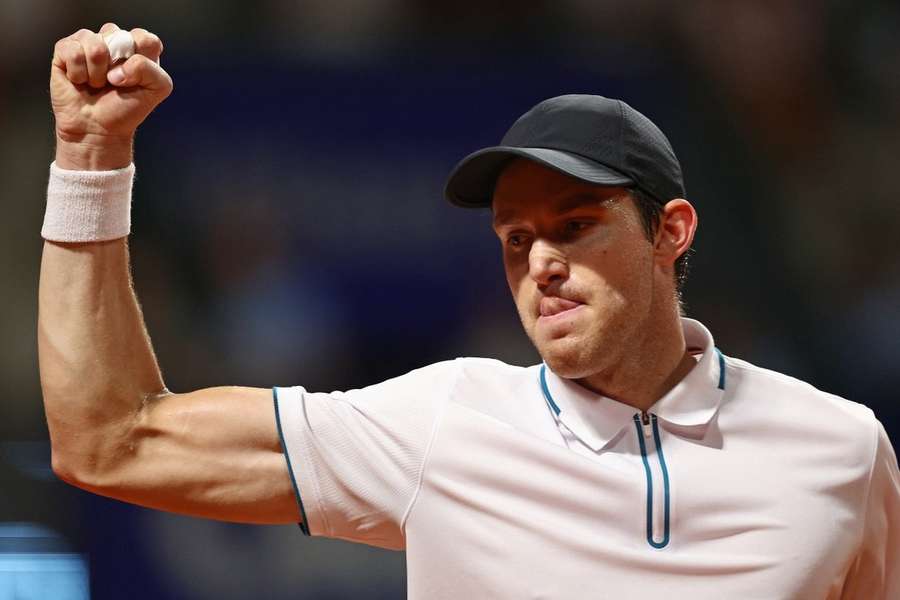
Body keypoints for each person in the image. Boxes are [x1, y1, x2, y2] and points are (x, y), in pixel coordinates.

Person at [39, 24, 898, 599]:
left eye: (575, 226)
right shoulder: (444, 423)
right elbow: (112, 442)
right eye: (516, 239)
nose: (542, 264)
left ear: (671, 231)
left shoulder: (843, 449)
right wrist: (90, 157)